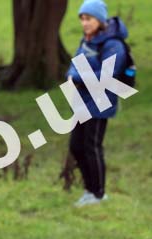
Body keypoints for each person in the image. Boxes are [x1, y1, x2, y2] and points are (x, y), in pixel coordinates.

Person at [67, 0, 129, 206]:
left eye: (89, 19)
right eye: (82, 19)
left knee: (91, 146)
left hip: (101, 102)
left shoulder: (113, 44)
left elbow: (106, 75)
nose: (85, 23)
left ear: (100, 20)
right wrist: (71, 75)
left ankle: (99, 193)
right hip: (82, 100)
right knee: (76, 146)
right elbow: (75, 63)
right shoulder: (86, 40)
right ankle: (89, 190)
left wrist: (77, 77)